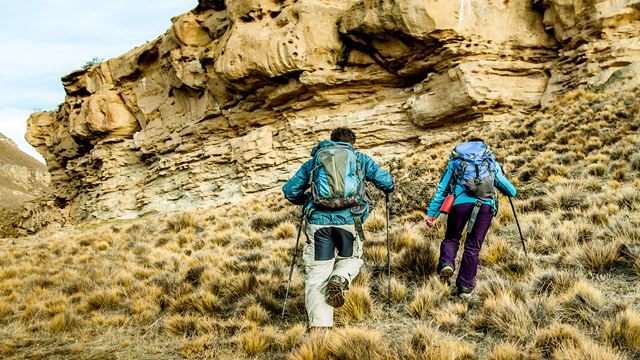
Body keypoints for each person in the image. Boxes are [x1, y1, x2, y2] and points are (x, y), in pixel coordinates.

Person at [282, 127, 394, 329]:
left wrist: (306, 199)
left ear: (331, 141)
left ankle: (319, 328)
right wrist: (388, 188)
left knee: (317, 274)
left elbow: (290, 191)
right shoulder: (360, 158)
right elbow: (386, 181)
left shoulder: (316, 160)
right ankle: (340, 278)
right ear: (353, 144)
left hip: (318, 225)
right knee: (351, 259)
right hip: (350, 222)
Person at [425, 137, 516, 297]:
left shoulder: (456, 162)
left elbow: (442, 190)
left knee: (452, 238)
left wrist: (432, 214)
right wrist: (501, 174)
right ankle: (465, 288)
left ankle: (447, 263)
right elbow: (511, 191)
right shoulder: (490, 162)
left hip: (459, 204)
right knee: (473, 246)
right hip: (485, 206)